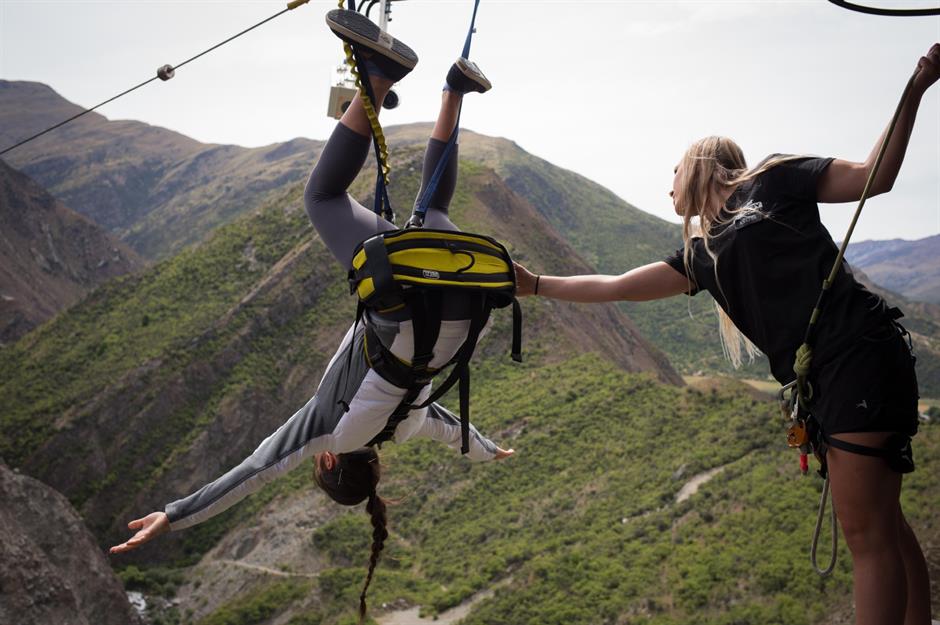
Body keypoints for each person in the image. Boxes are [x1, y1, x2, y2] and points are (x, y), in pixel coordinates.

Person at [110, 9, 513, 621]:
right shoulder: (327, 432)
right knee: (321, 198)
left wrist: (494, 451)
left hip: (459, 301)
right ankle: (377, 77)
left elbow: (460, 434)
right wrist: (173, 514)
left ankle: (454, 90)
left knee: (432, 213)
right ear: (327, 462)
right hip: (404, 303)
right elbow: (246, 474)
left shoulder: (408, 426)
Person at [514, 44, 939, 625]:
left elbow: (874, 178)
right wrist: (535, 284)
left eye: (672, 170)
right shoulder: (700, 256)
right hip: (832, 379)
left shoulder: (774, 177)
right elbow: (613, 286)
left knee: (868, 536)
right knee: (883, 526)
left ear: (698, 165)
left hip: (859, 353)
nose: (667, 185)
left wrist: (915, 87)